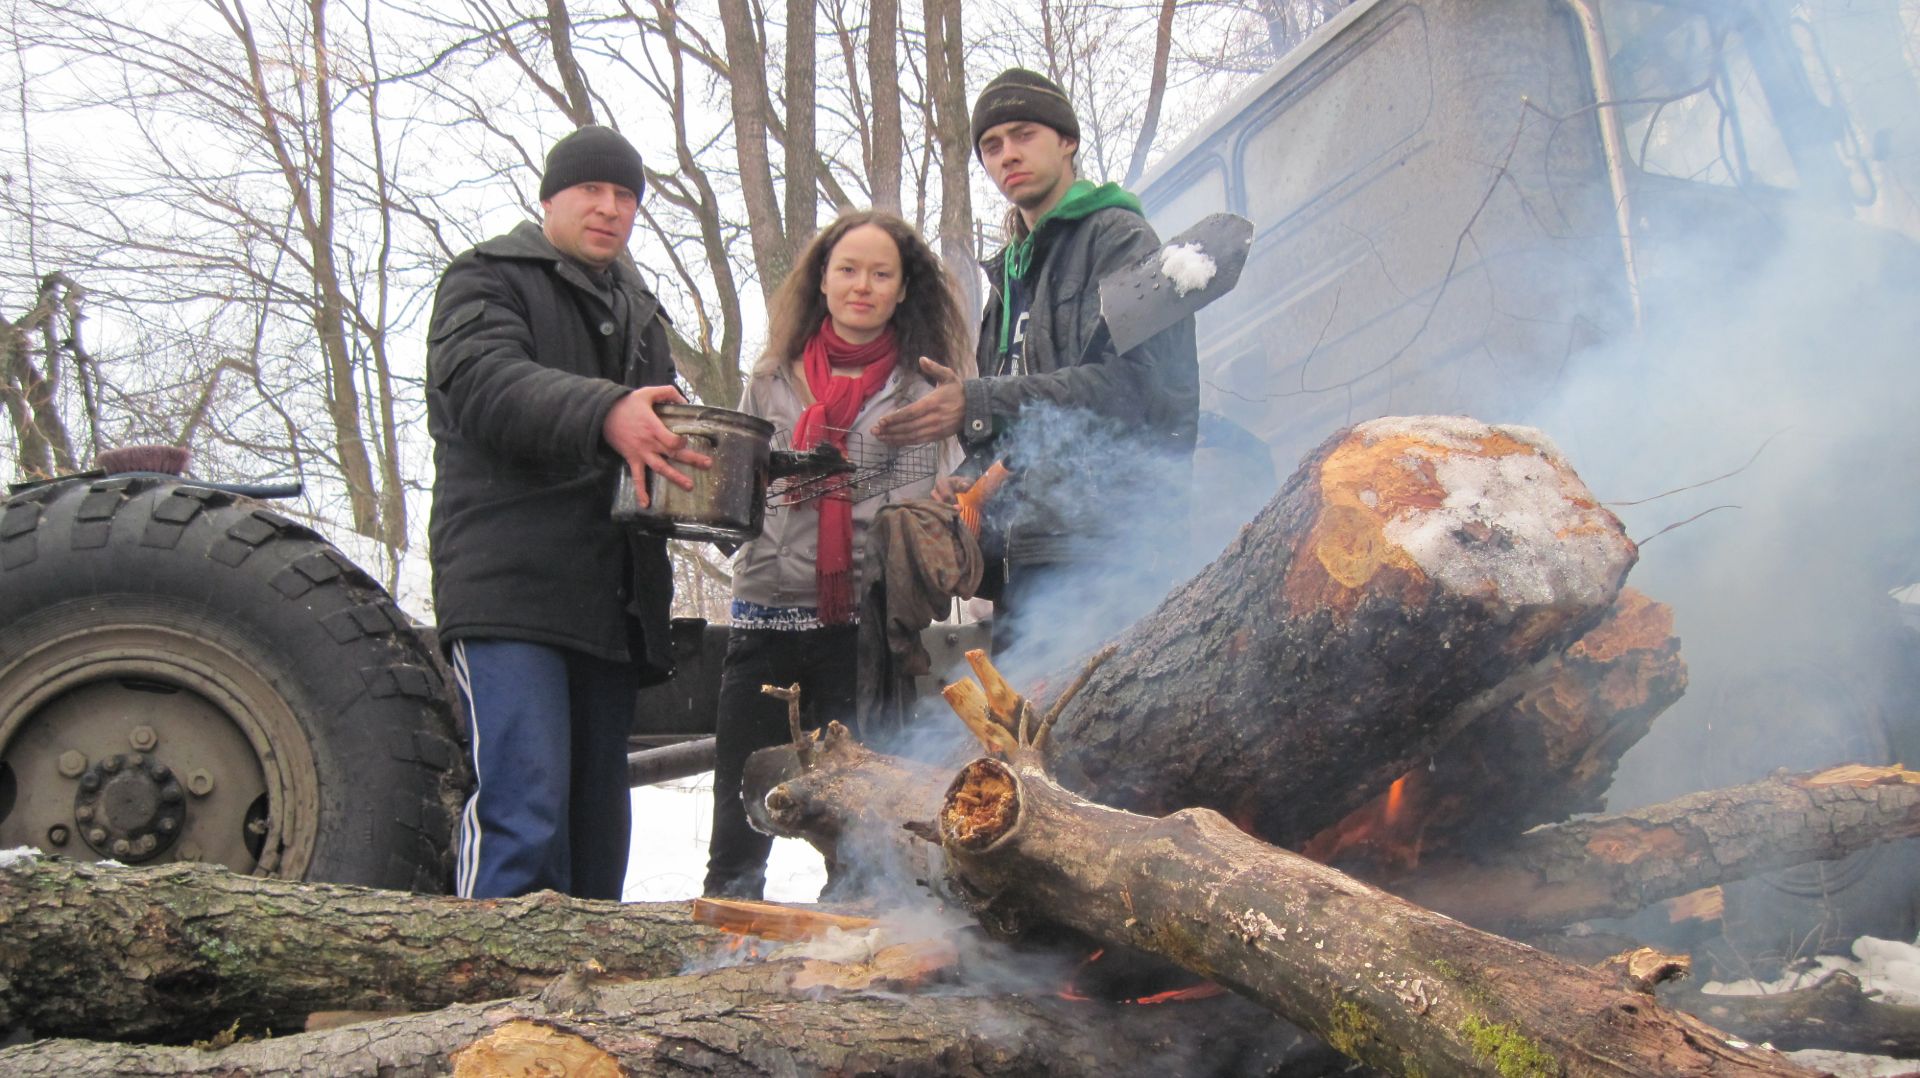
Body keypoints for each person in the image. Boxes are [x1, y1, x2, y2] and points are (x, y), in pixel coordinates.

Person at [425, 125, 711, 900]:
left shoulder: (641, 311)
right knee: (525, 810)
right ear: (549, 198)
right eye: (591, 190)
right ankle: (489, 998)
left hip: (611, 604)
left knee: (597, 825)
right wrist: (608, 412)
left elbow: (657, 437)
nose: (609, 209)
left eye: (625, 197)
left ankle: (582, 1005)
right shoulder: (486, 280)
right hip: (510, 592)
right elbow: (485, 385)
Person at [872, 68, 1199, 658]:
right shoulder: (1009, 280)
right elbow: (1018, 433)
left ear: (1066, 141)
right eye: (991, 146)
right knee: (1028, 745)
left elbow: (1140, 391)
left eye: (1023, 135)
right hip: (1027, 561)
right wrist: (968, 482)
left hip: (1112, 554)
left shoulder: (1121, 238)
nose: (1007, 156)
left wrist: (976, 401)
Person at [702, 210, 973, 900]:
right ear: (821, 280)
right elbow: (741, 495)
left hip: (862, 632)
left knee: (862, 837)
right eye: (847, 269)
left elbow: (921, 507)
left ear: (902, 289)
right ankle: (725, 957)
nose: (863, 286)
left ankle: (856, 973)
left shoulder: (922, 390)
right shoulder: (772, 378)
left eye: (881, 274)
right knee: (739, 828)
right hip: (766, 615)